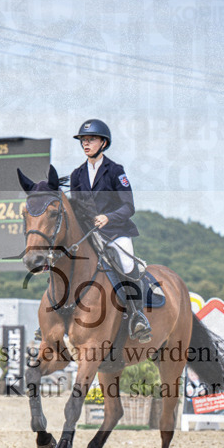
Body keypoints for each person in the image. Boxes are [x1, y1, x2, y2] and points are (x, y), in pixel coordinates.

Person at [68, 118, 151, 343]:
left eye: (91, 139)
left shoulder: (115, 171)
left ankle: (137, 316)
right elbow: (76, 208)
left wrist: (108, 217)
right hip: (89, 235)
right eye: (83, 140)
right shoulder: (76, 175)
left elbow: (128, 206)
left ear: (103, 143)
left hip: (115, 232)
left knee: (127, 264)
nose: (86, 144)